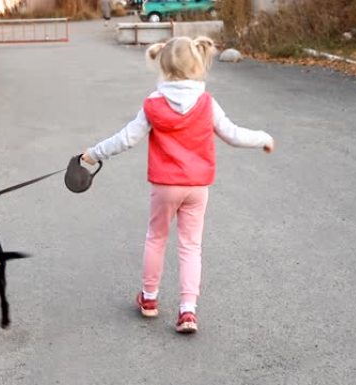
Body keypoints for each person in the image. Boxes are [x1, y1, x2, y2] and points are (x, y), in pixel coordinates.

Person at [81, 36, 275, 334]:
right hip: (197, 186)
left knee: (156, 238)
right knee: (191, 245)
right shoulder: (207, 103)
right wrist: (263, 137)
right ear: (198, 62)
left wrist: (94, 153)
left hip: (165, 186)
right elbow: (233, 134)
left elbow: (126, 138)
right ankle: (187, 311)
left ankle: (149, 299)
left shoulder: (153, 104)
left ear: (163, 64)